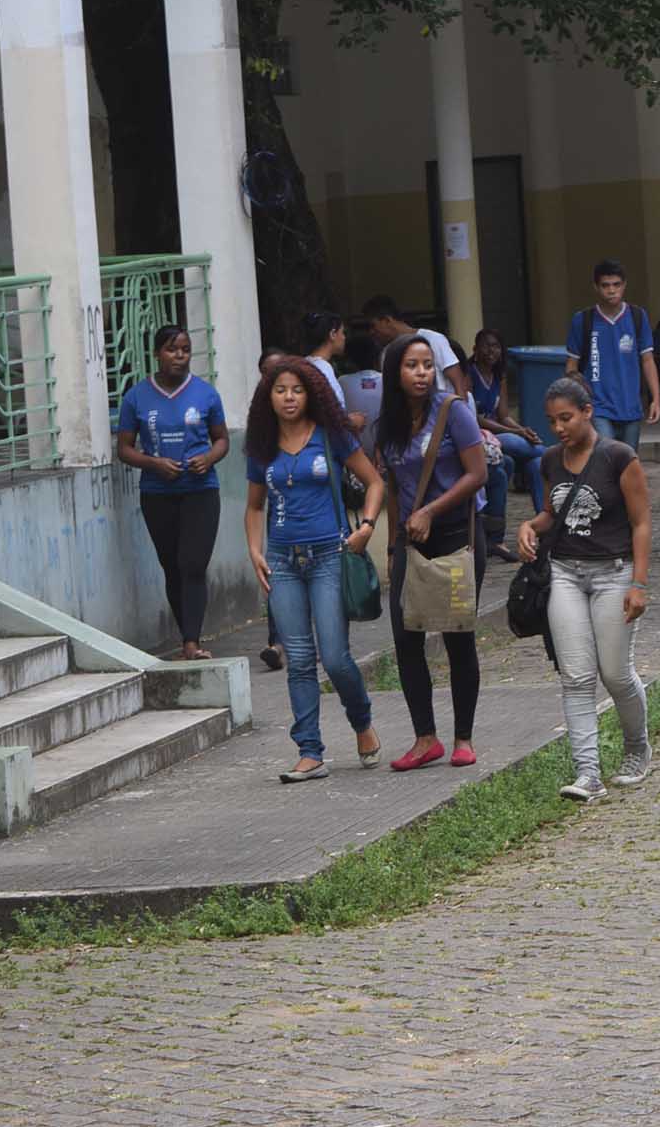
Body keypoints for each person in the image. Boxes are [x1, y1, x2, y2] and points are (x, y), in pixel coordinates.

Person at [242, 356, 384, 784]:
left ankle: (361, 722)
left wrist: (367, 527)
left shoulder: (331, 436)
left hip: (328, 555)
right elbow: (253, 506)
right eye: (281, 390)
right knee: (300, 660)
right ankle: (309, 751)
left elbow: (375, 482)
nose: (289, 397)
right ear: (268, 396)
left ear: (311, 395)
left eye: (297, 390)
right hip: (283, 561)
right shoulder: (261, 446)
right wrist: (254, 550)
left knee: (337, 658)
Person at [517, 376, 654, 804]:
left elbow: (641, 522)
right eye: (553, 421)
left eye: (567, 418)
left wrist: (638, 583)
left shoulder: (618, 457)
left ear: (587, 412)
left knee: (614, 673)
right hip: (565, 573)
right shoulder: (550, 460)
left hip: (613, 572)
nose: (560, 428)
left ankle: (637, 747)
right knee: (576, 677)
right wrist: (528, 527)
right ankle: (588, 771)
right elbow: (549, 511)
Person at [375, 332, 489, 771]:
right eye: (411, 365)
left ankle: (464, 737)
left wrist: (431, 510)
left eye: (427, 364)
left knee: (458, 635)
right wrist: (390, 544)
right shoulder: (387, 422)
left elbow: (476, 474)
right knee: (406, 638)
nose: (422, 373)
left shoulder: (452, 412)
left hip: (457, 536)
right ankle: (426, 737)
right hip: (410, 541)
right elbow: (392, 486)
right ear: (394, 373)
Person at [113, 325, 230, 660]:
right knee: (172, 566)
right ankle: (186, 635)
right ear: (157, 354)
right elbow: (124, 448)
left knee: (192, 563)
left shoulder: (206, 394)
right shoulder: (136, 397)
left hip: (200, 490)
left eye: (185, 349)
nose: (179, 356)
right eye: (171, 349)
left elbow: (221, 439)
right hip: (157, 493)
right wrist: (154, 464)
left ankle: (192, 642)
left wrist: (208, 458)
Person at [564, 260, 660, 449]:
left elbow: (648, 360)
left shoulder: (637, 316)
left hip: (631, 407)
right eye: (605, 285)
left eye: (616, 285)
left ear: (624, 285)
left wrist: (656, 398)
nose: (611, 290)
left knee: (627, 462)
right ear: (596, 287)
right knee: (606, 455)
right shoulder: (583, 320)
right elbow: (571, 364)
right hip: (597, 406)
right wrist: (574, 399)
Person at [464, 328, 546, 544]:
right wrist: (516, 433)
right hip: (480, 437)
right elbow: (475, 418)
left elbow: (503, 416)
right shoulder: (468, 374)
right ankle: (561, 460)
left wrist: (522, 429)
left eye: (496, 346)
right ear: (475, 348)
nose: (492, 351)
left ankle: (544, 524)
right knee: (538, 451)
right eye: (486, 345)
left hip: (497, 437)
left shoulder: (499, 375)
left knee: (534, 463)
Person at [354, 296, 467, 398]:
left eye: (373, 326)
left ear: (387, 320)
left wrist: (461, 415)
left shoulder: (434, 339)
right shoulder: (386, 354)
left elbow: (458, 381)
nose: (371, 332)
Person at [298, 310, 367, 436]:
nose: (344, 338)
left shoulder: (305, 364)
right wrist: (351, 422)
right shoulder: (323, 370)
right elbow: (330, 416)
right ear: (332, 334)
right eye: (342, 332)